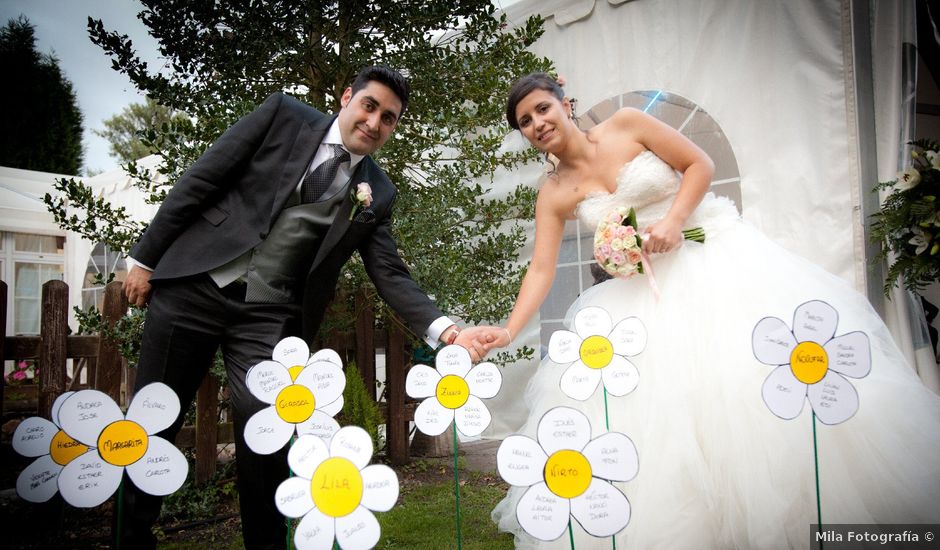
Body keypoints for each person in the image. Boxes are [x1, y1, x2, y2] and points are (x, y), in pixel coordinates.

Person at [471, 73, 940, 548]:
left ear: (565, 104)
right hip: (640, 295)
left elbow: (698, 163)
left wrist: (674, 221)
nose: (537, 123)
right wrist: (510, 330)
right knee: (667, 408)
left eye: (542, 109)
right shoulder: (554, 192)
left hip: (713, 257)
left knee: (744, 381)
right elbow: (541, 271)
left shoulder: (627, 123)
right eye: (525, 122)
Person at [120, 66, 487, 549]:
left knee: (267, 439)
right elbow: (204, 177)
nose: (375, 122)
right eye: (370, 106)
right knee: (152, 422)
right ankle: (129, 539)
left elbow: (390, 273)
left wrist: (446, 330)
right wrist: (145, 258)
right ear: (347, 97)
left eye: (389, 118)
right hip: (196, 287)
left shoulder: (379, 191)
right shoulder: (283, 115)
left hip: (266, 315)